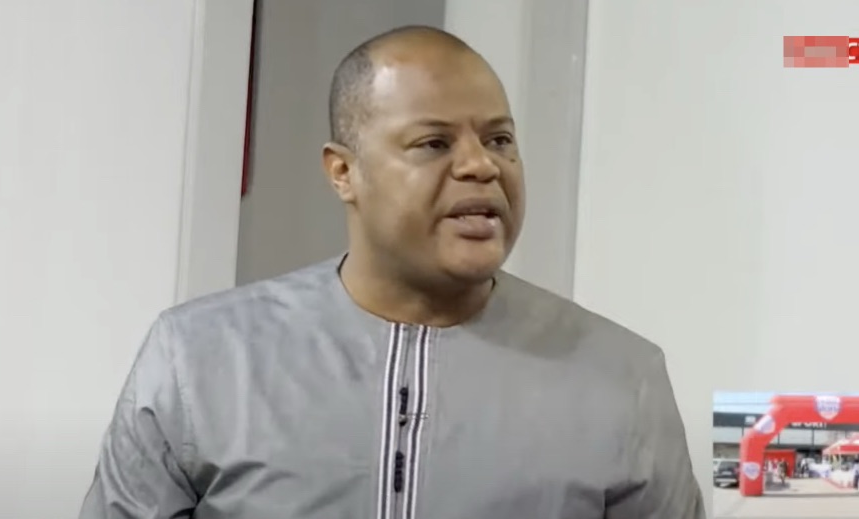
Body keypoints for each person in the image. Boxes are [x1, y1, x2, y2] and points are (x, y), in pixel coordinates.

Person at [78, 25, 704, 519]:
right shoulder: (199, 358)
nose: (482, 166)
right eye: (434, 143)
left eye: (499, 140)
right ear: (343, 172)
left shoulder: (622, 379)